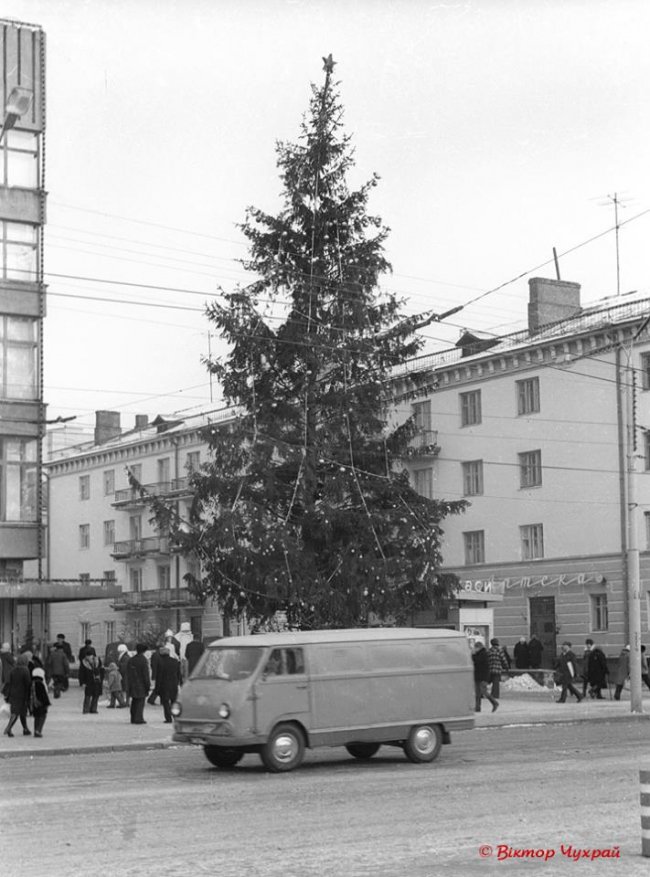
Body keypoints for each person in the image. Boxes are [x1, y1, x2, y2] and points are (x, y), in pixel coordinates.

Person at [3, 653, 32, 737]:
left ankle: (25, 729)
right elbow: (28, 683)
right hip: (22, 695)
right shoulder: (25, 670)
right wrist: (28, 696)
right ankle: (9, 728)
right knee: (17, 713)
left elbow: (9, 682)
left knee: (21, 713)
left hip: (13, 694)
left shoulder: (13, 670)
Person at [156, 646, 182, 723]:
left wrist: (157, 688)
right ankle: (176, 716)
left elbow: (159, 676)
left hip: (164, 685)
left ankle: (168, 718)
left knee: (166, 702)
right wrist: (180, 683)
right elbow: (179, 674)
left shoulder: (160, 662)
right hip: (174, 685)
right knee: (174, 702)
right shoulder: (175, 661)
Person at [126, 643, 151, 725]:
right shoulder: (143, 660)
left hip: (132, 683)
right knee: (140, 701)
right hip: (141, 684)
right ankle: (139, 718)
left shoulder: (131, 660)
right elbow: (145, 675)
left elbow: (128, 673)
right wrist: (148, 685)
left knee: (134, 701)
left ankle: (133, 717)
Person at [472, 639, 499, 713]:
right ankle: (477, 708)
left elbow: (478, 661)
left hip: (483, 677)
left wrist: (473, 655)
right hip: (478, 676)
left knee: (484, 691)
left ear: (479, 647)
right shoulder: (479, 654)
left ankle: (494, 703)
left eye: (475, 647)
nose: (474, 649)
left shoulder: (483, 654)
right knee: (477, 693)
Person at [79, 647, 104, 714]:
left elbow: (102, 670)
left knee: (96, 695)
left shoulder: (98, 661)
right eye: (88, 656)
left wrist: (101, 678)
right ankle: (86, 709)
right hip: (88, 681)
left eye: (90, 656)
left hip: (97, 681)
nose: (89, 657)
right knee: (88, 695)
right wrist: (82, 682)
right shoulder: (84, 663)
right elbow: (81, 673)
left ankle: (93, 709)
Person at [30, 666, 51, 738]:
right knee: (42, 716)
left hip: (33, 704)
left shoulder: (32, 682)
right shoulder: (40, 683)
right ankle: (38, 730)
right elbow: (43, 695)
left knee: (36, 717)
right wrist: (47, 703)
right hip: (41, 704)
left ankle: (36, 729)